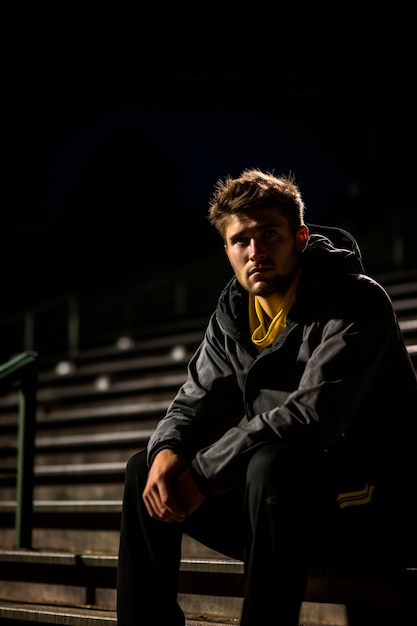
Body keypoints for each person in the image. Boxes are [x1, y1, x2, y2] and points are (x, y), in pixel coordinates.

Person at [116, 168, 417, 626]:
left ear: (299, 237)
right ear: (227, 252)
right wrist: (169, 448)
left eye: (269, 234)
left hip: (373, 506)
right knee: (146, 470)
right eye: (241, 241)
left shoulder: (356, 300)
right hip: (284, 511)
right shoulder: (234, 313)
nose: (254, 251)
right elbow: (194, 401)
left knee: (272, 463)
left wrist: (203, 473)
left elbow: (310, 416)